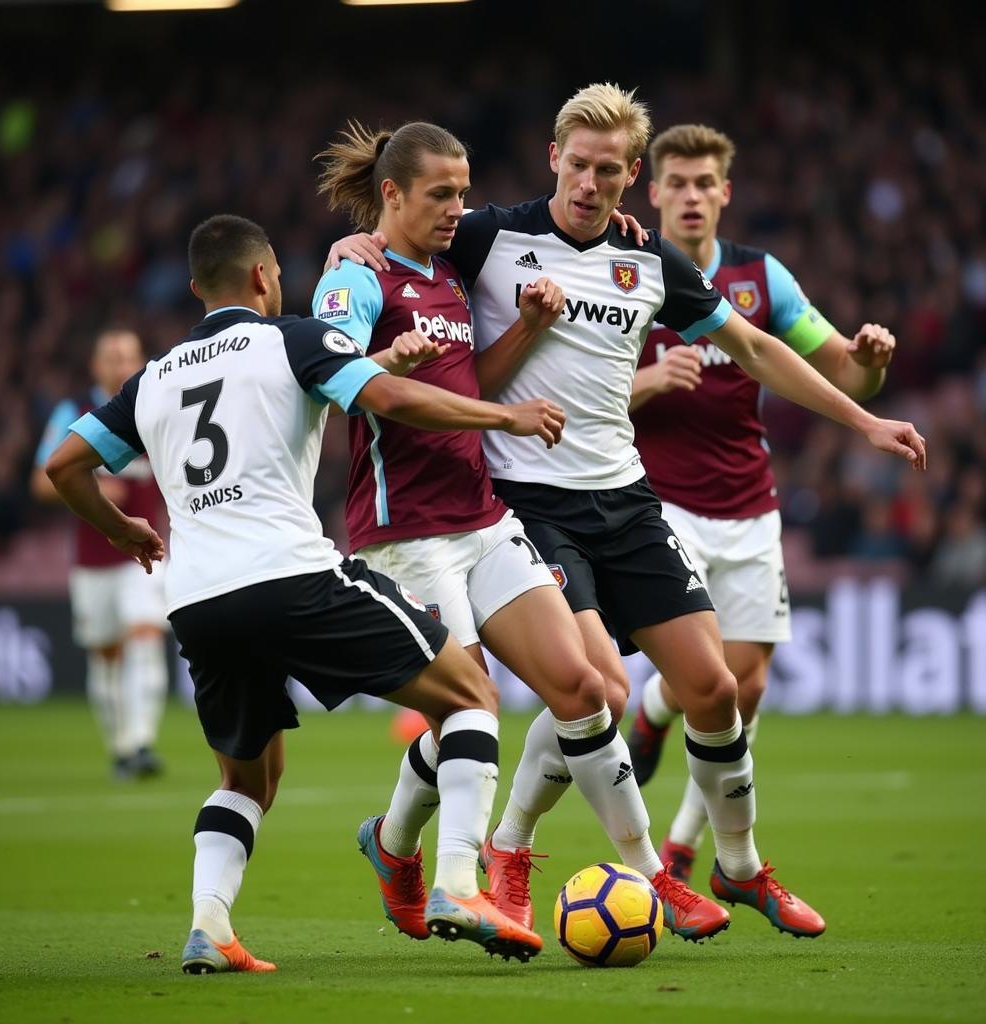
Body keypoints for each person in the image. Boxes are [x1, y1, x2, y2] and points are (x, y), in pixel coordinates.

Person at [327, 82, 926, 940]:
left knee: (714, 689)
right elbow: (399, 254)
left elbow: (753, 348)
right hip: (526, 503)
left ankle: (741, 864)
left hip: (628, 498)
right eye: (578, 166)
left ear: (629, 175)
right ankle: (521, 851)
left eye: (609, 172)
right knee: (593, 686)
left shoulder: (649, 261)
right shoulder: (491, 236)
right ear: (553, 159)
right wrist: (352, 247)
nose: (590, 184)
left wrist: (865, 418)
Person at [44, 214, 569, 972]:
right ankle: (457, 881)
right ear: (263, 276)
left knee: (249, 778)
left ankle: (209, 926)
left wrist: (123, 526)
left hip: (197, 601)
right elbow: (387, 399)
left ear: (196, 289)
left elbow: (65, 466)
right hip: (289, 576)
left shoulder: (152, 379)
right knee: (469, 695)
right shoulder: (290, 338)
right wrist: (505, 413)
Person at [312, 120, 731, 943]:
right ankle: (444, 875)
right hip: (405, 531)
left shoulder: (447, 277)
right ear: (391, 195)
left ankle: (648, 877)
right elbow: (349, 385)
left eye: (465, 194)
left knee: (588, 689)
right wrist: (345, 256)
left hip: (482, 515)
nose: (459, 210)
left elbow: (470, 377)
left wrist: (531, 329)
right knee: (469, 707)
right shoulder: (362, 280)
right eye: (442, 195)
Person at [622, 123, 903, 882]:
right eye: (675, 182)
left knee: (743, 689)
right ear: (652, 192)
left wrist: (869, 366)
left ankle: (677, 809)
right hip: (660, 502)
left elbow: (843, 373)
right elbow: (569, 400)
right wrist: (646, 384)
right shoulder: (625, 272)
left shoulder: (760, 280)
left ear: (725, 193)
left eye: (703, 183)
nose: (689, 196)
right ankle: (697, 842)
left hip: (749, 503)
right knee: (706, 677)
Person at [31, 329, 169, 780]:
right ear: (96, 366)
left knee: (145, 639)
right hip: (93, 560)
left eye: (128, 356)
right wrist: (90, 486)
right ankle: (121, 748)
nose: (120, 366)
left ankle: (141, 743)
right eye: (111, 357)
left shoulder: (153, 406)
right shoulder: (74, 412)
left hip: (144, 555)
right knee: (107, 654)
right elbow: (40, 480)